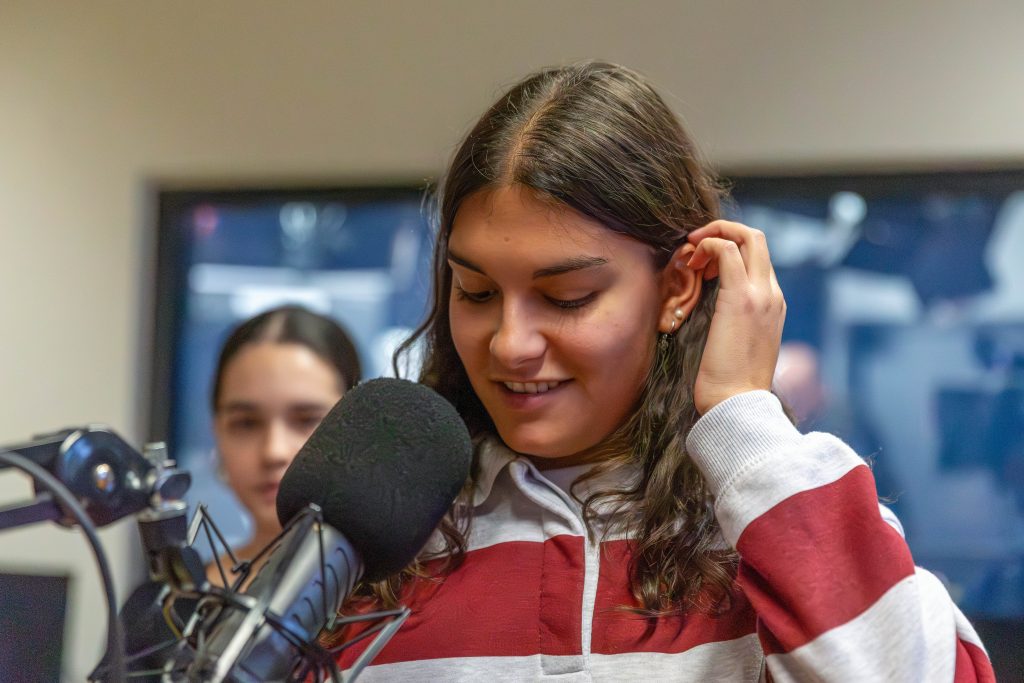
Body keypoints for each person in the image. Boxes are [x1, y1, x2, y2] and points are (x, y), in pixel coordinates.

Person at [332, 62, 994, 681]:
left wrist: (741, 413)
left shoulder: (778, 514)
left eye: (567, 298)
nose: (511, 344)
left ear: (678, 287)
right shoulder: (379, 538)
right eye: (475, 291)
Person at [205, 304, 361, 587]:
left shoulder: (401, 607)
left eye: (307, 420)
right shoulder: (162, 610)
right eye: (246, 423)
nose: (273, 452)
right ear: (217, 431)